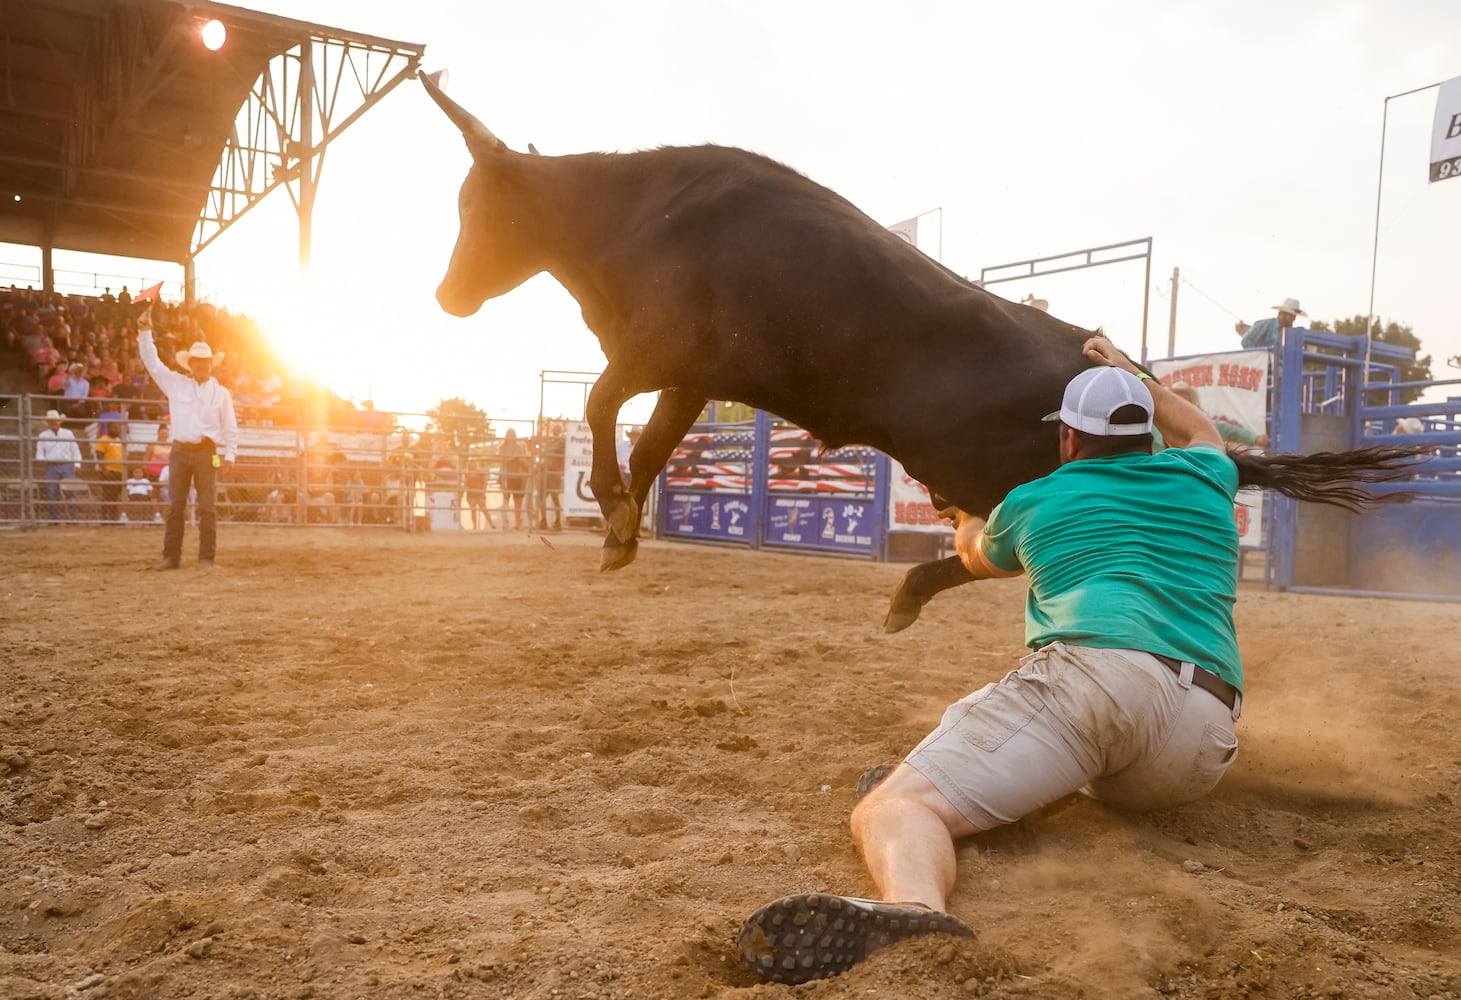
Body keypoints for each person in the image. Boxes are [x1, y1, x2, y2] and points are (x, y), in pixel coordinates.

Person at [738, 335, 1245, 985]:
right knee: (1065, 739)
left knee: (890, 810)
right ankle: (982, 796)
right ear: (1147, 432)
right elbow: (1198, 426)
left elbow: (977, 553)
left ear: (1067, 439)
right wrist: (1130, 372)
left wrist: (961, 517)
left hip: (1102, 685)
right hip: (1199, 743)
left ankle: (916, 908)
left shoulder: (1035, 502)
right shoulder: (1205, 474)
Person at [137, 307, 238, 570]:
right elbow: (153, 363)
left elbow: (230, 427)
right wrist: (145, 332)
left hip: (207, 452)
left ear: (209, 364)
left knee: (207, 506)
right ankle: (171, 556)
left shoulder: (222, 394)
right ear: (191, 364)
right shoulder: (177, 383)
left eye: (205, 362)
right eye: (197, 362)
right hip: (181, 450)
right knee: (176, 505)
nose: (201, 366)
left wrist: (229, 455)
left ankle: (206, 557)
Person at [1169, 386, 1268, 448]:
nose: (1181, 403)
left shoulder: (1201, 423)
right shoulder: (1159, 422)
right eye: (1177, 398)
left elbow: (1230, 430)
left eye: (1185, 399)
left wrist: (1255, 438)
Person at [35, 408, 82, 521]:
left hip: (67, 465)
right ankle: (54, 518)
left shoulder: (68, 433)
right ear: (48, 423)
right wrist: (43, 460)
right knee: (52, 492)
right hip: (51, 466)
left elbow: (75, 450)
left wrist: (77, 464)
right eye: (51, 421)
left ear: (59, 421)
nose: (53, 423)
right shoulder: (43, 435)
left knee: (70, 492)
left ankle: (72, 518)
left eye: (55, 421)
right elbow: (39, 452)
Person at [1240, 296, 1304, 350]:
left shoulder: (1290, 335)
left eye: (1294, 316)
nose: (1293, 319)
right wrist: (1260, 356)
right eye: (1291, 315)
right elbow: (1246, 341)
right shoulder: (1265, 325)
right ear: (1281, 313)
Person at [92, 421, 126, 521]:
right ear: (109, 428)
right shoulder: (103, 440)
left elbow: (125, 456)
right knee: (107, 495)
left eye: (117, 428)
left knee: (115, 496)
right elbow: (99, 456)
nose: (116, 430)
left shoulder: (120, 441)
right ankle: (104, 517)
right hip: (108, 471)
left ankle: (113, 517)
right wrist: (104, 470)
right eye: (113, 427)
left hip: (119, 472)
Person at [498, 429, 530, 530]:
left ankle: (517, 523)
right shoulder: (502, 447)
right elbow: (503, 461)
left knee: (518, 501)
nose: (511, 436)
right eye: (509, 434)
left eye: (513, 434)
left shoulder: (519, 447)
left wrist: (519, 459)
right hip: (506, 475)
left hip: (518, 476)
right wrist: (514, 457)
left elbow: (523, 460)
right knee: (505, 500)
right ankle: (505, 522)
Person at [463, 460, 494, 530]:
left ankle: (491, 524)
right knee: (473, 510)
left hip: (479, 493)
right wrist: (469, 490)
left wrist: (483, 492)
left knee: (484, 509)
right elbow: (465, 484)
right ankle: (475, 526)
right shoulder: (466, 474)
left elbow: (484, 482)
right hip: (471, 494)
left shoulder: (480, 472)